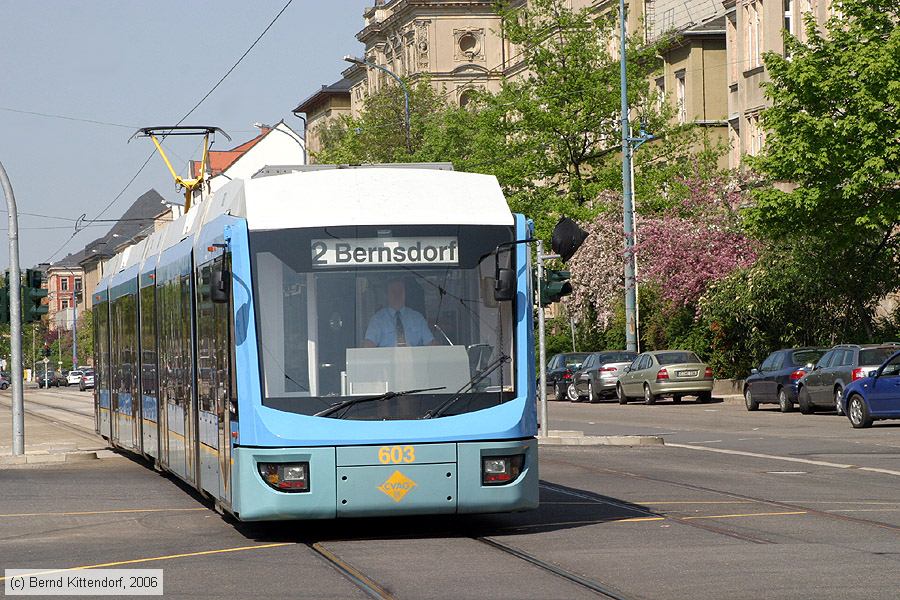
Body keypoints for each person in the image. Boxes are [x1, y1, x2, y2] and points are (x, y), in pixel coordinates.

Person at [363, 278, 435, 348]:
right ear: (387, 295)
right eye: (393, 291)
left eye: (400, 291)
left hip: (414, 356)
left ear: (405, 293)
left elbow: (431, 344)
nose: (397, 295)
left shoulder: (418, 318)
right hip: (387, 356)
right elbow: (368, 346)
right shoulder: (377, 320)